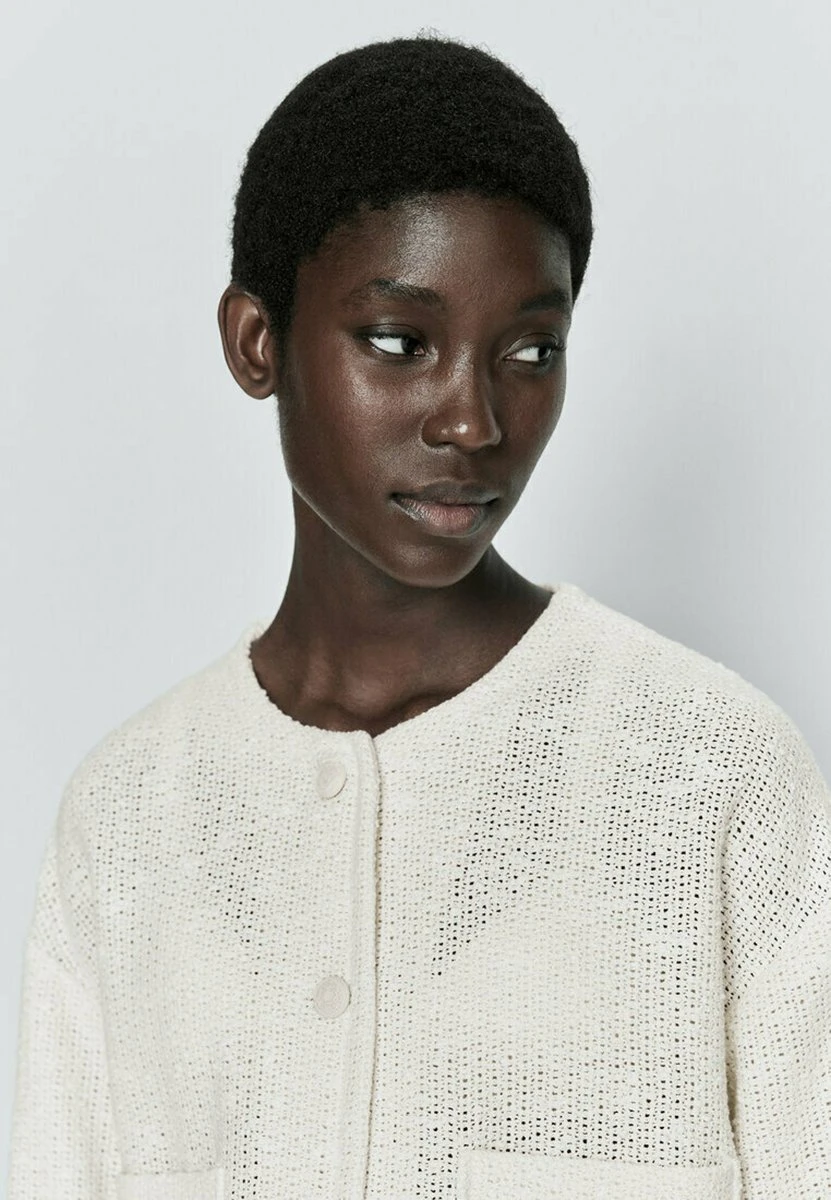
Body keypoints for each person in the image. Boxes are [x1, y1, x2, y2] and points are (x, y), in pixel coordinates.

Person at [7, 32, 830, 1200]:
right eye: (400, 343)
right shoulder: (128, 822)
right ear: (257, 342)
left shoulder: (712, 779)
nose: (474, 422)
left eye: (531, 351)